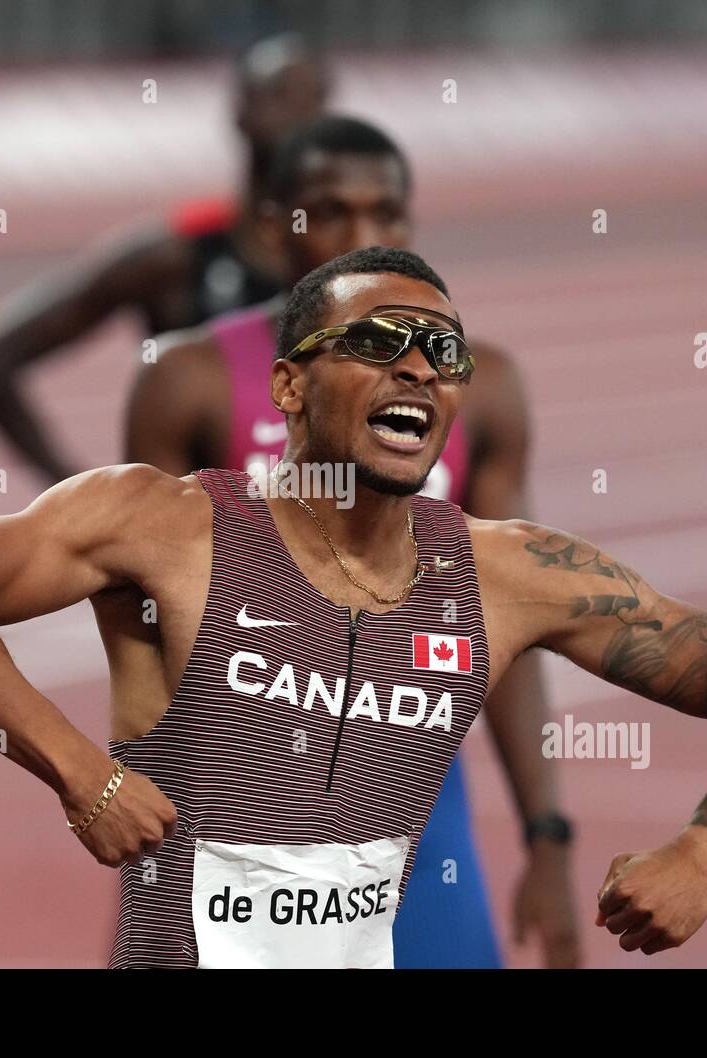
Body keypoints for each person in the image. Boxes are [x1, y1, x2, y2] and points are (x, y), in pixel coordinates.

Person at [0, 246, 707, 969]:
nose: (417, 367)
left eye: (441, 351)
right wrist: (82, 773)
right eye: (375, 342)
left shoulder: (504, 573)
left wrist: (705, 849)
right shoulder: (166, 526)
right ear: (289, 384)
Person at [126, 115, 577, 968]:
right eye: (332, 211)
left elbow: (507, 622)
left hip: (416, 799)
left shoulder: (476, 387)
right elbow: (140, 625)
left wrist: (546, 835)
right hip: (239, 812)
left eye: (386, 213)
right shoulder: (190, 382)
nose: (364, 236)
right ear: (274, 226)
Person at [0, 32, 328, 482]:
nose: (298, 113)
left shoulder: (348, 269)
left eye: (314, 98)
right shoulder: (174, 257)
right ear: (239, 111)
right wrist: (71, 489)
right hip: (195, 519)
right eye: (280, 94)